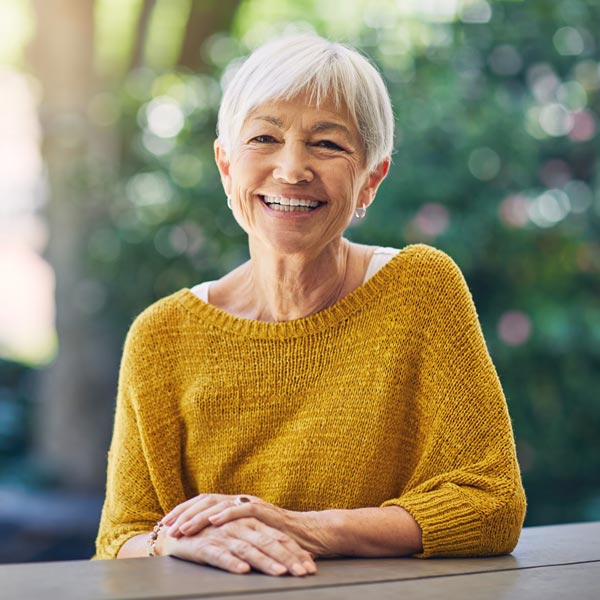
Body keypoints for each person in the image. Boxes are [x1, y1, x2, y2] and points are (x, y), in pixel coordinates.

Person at [95, 34, 526, 577]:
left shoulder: (422, 290)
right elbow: (118, 542)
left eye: (327, 144)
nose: (293, 169)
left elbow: (491, 505)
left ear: (371, 179)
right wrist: (172, 543)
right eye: (264, 138)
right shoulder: (161, 336)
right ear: (226, 167)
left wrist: (306, 528)